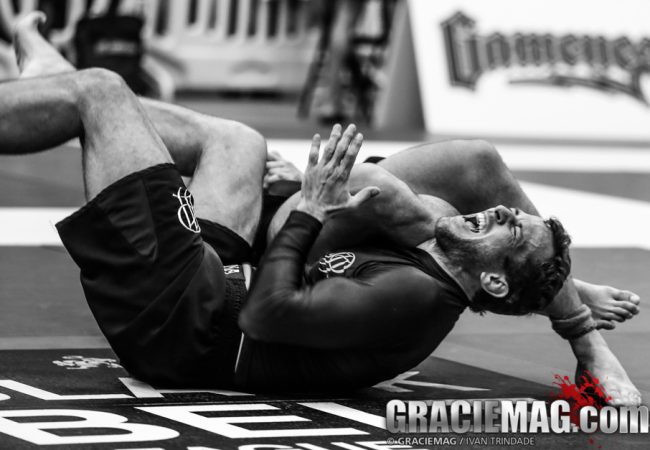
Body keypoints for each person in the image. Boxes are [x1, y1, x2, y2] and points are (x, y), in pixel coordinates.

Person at [5, 12, 641, 404]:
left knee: (101, 91)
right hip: (216, 284)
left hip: (177, 314)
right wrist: (293, 196)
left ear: (492, 281)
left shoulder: (412, 294)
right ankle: (49, 86)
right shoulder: (434, 261)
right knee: (239, 142)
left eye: (508, 227)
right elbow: (330, 248)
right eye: (506, 211)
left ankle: (58, 88)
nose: (498, 209)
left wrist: (308, 207)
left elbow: (269, 310)